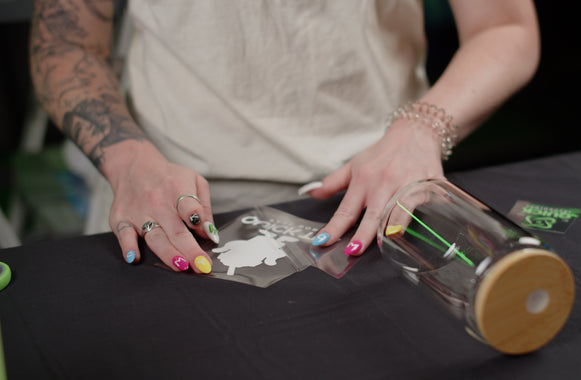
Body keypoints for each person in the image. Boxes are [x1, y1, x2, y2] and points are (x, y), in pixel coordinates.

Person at [30, 0, 540, 274]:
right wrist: (129, 162)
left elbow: (506, 26)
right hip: (174, 205)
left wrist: (422, 127)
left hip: (384, 194)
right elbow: (63, 44)